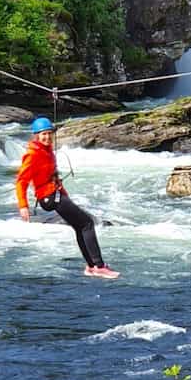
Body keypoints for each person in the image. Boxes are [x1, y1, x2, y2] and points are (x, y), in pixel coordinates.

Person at [16, 118, 119, 279]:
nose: (47, 137)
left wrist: (65, 195)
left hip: (55, 194)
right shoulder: (33, 154)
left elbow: (53, 176)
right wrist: (23, 205)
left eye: (49, 134)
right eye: (44, 134)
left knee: (80, 226)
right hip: (49, 197)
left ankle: (91, 267)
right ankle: (99, 266)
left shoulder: (47, 150)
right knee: (87, 223)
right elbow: (21, 181)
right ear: (36, 135)